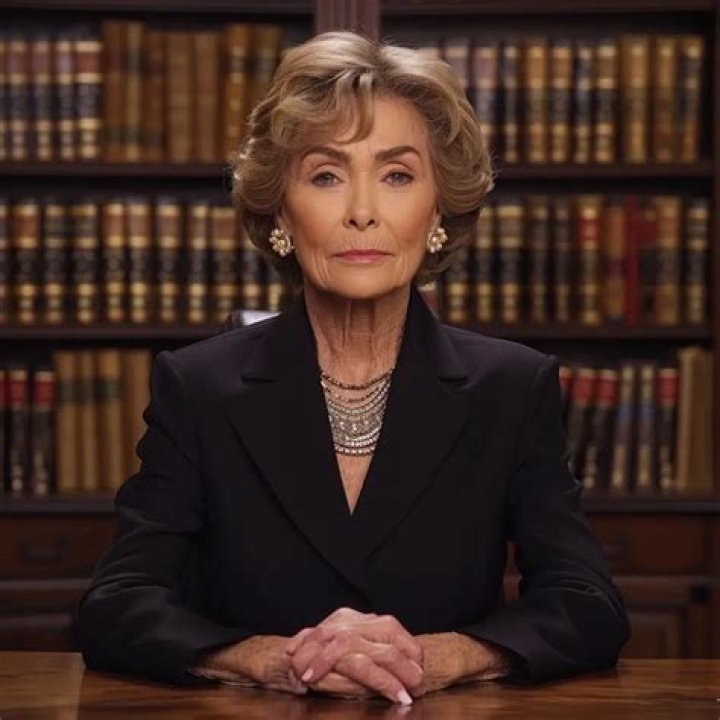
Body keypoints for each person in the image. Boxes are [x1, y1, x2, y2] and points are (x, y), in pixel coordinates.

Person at [76, 30, 629, 704]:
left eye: (397, 176)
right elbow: (117, 604)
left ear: (437, 209)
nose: (362, 213)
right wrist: (271, 660)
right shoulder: (197, 387)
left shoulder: (512, 388)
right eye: (327, 176)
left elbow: (587, 604)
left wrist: (442, 657)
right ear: (281, 211)